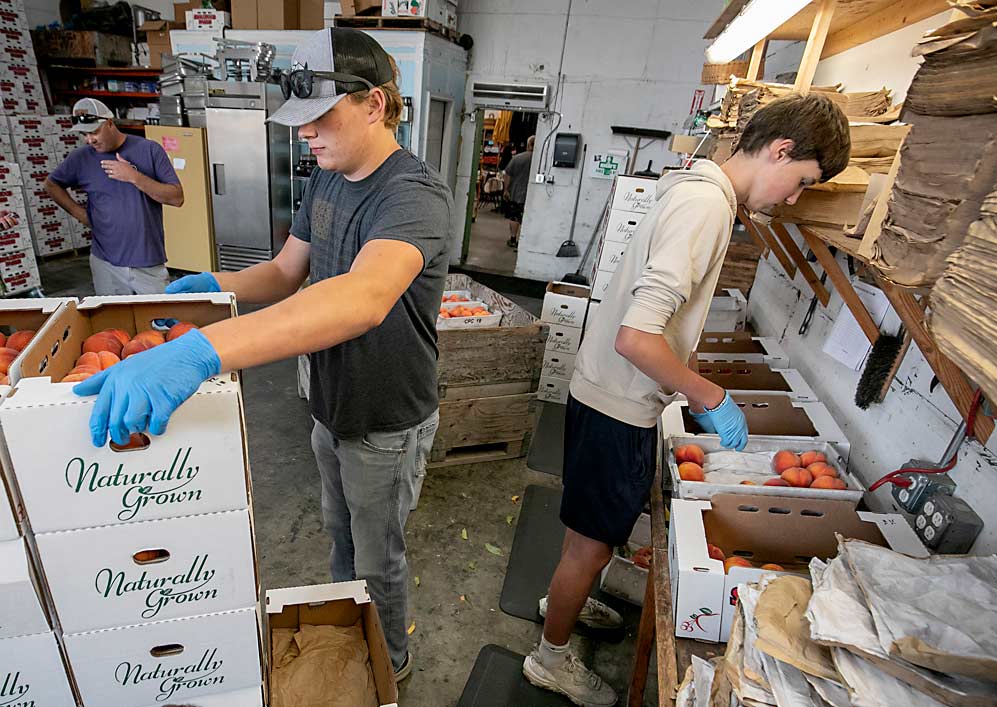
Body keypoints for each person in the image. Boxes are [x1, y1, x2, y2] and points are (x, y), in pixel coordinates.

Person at [72, 27, 452, 684]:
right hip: (330, 404)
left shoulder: (412, 196)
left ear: (376, 104)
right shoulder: (328, 178)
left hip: (386, 418)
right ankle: (348, 629)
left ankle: (391, 664)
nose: (305, 134)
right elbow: (283, 272)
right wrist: (216, 286)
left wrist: (203, 351)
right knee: (341, 541)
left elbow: (361, 298)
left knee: (377, 555)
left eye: (320, 118)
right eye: (298, 121)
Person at [522, 93, 851, 705]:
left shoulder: (698, 191)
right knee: (589, 546)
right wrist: (708, 394)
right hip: (615, 404)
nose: (793, 198)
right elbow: (636, 337)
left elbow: (661, 323)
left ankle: (564, 599)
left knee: (587, 541)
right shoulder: (706, 207)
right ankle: (551, 655)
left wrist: (689, 377)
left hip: (607, 395)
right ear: (780, 151)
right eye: (800, 181)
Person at [45, 98, 184, 295]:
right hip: (105, 263)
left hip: (147, 262)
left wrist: (134, 177)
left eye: (94, 132)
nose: (89, 139)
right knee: (113, 324)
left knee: (160, 322)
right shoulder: (81, 158)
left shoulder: (149, 150)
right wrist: (79, 213)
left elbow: (176, 198)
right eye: (84, 134)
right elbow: (52, 184)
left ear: (109, 122)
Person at [502, 135, 534, 247]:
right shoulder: (539, 160)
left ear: (528, 145)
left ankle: (513, 238)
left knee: (514, 216)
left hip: (516, 193)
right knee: (528, 218)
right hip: (533, 196)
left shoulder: (517, 158)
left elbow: (507, 174)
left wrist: (506, 190)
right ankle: (524, 242)